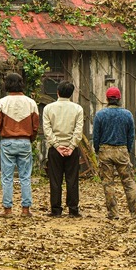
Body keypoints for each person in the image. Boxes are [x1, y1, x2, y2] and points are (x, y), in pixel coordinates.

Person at [92, 87, 136, 220]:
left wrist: (97, 149)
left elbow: (96, 136)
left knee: (108, 183)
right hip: (122, 149)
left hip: (105, 150)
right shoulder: (127, 114)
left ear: (107, 99)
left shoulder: (100, 115)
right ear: (119, 99)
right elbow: (131, 135)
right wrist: (127, 149)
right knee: (128, 182)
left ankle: (113, 213)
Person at [0, 72, 40, 218]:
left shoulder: (2, 103)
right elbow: (36, 126)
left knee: (7, 177)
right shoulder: (31, 103)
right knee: (25, 177)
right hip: (25, 141)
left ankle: (7, 209)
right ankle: (25, 209)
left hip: (7, 142)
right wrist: (31, 138)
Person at [42, 80, 84, 217]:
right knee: (72, 180)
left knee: (55, 180)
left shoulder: (48, 108)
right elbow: (78, 131)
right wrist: (71, 146)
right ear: (71, 94)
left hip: (55, 149)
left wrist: (56, 145)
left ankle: (56, 209)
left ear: (58, 92)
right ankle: (73, 209)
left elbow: (47, 129)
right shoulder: (78, 109)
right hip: (71, 149)